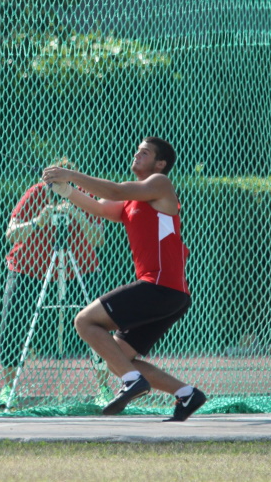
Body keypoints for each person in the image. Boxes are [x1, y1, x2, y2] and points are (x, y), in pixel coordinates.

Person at [41, 137, 206, 422]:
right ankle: (187, 393)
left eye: (145, 153)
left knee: (84, 321)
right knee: (119, 357)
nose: (137, 155)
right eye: (137, 151)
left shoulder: (160, 183)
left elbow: (115, 191)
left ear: (160, 163)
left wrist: (71, 175)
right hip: (169, 293)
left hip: (159, 287)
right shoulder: (134, 197)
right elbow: (101, 208)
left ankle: (133, 382)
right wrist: (67, 190)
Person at [0, 158, 112, 409]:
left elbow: (98, 239)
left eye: (65, 178)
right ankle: (7, 389)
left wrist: (77, 214)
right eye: (54, 179)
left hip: (81, 268)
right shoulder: (36, 193)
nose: (58, 185)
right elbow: (11, 234)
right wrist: (39, 221)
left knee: (100, 326)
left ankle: (104, 388)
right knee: (13, 324)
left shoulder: (86, 195)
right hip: (28, 269)